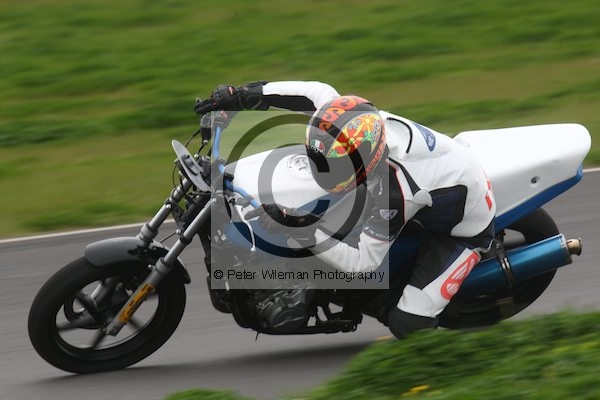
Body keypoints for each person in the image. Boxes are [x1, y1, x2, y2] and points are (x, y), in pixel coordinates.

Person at [194, 81, 496, 338]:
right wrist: (241, 95)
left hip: (462, 229)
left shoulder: (397, 192)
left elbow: (362, 263)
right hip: (431, 182)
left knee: (407, 323)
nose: (322, 170)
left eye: (333, 165)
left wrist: (301, 228)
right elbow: (314, 91)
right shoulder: (347, 118)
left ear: (365, 161)